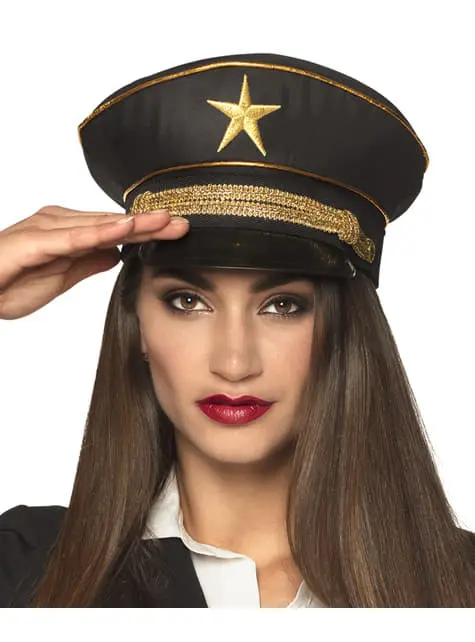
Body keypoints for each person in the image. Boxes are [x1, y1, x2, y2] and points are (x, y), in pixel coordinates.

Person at [1, 52, 474, 608]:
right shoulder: (23, 571)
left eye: (282, 306)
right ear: (138, 327)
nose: (233, 362)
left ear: (345, 331)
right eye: (188, 301)